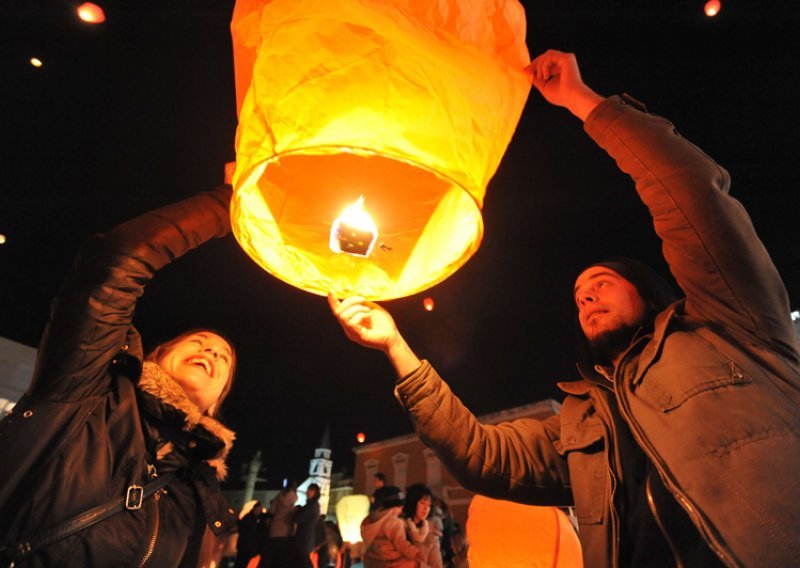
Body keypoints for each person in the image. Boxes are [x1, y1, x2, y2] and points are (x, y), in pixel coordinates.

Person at [329, 49, 800, 568]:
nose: (587, 298)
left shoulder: (730, 326)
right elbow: (478, 452)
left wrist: (582, 100)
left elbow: (692, 194)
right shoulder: (581, 423)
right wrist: (396, 345)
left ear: (647, 289)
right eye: (579, 297)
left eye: (600, 283)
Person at [0, 183, 238, 566]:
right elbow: (116, 262)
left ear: (214, 405)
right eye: (198, 341)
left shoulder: (196, 493)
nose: (211, 350)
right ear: (160, 356)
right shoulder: (89, 389)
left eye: (222, 357)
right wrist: (233, 202)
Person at [361, 486, 420, 568]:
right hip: (394, 561)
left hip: (376, 560)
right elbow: (401, 543)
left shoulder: (371, 522)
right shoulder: (394, 522)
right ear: (392, 508)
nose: (401, 511)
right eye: (400, 508)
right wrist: (415, 553)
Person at [402, 485, 442, 568]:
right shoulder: (399, 527)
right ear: (412, 503)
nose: (426, 508)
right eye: (422, 503)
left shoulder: (431, 533)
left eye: (429, 505)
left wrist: (417, 565)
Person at [292, 483, 322, 567]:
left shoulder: (312, 505)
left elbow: (298, 518)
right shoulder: (311, 505)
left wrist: (296, 511)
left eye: (311, 490)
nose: (308, 492)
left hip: (304, 540)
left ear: (316, 493)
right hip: (304, 540)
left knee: (303, 562)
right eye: (308, 489)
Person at [236, 502, 268, 568]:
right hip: (245, 545)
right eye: (258, 510)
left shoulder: (260, 519)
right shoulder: (248, 518)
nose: (259, 512)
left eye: (260, 510)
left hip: (252, 546)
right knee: (241, 562)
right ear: (254, 509)